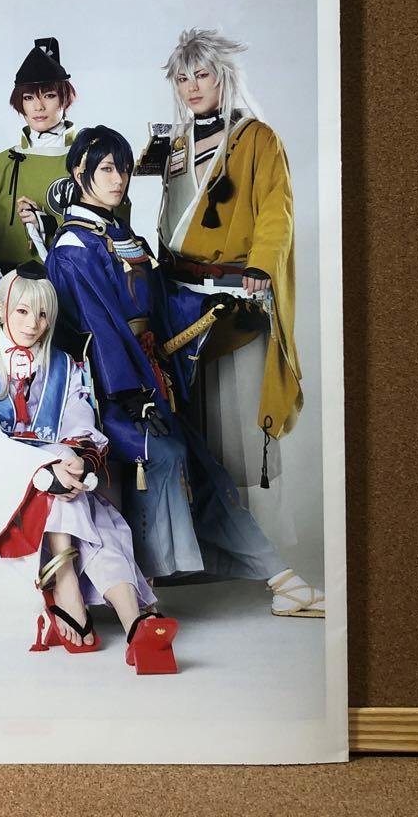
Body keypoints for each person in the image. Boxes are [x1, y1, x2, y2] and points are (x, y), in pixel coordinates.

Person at [46, 126, 324, 618]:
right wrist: (130, 394)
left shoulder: (123, 236)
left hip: (149, 379)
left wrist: (213, 306)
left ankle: (282, 581)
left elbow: (161, 300)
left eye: (123, 168)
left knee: (204, 464)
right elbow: (99, 327)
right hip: (103, 393)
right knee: (167, 454)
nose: (118, 179)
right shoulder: (72, 247)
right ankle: (144, 596)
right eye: (106, 169)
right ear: (79, 172)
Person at [0, 263, 177, 673]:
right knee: (67, 500)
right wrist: (46, 470)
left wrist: (76, 462)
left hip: (58, 473)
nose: (33, 324)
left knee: (97, 518)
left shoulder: (66, 366)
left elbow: (79, 424)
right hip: (1, 482)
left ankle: (135, 629)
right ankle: (83, 595)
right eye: (22, 311)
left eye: (42, 314)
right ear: (1, 309)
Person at [136, 29, 300, 546]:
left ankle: (262, 544)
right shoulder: (175, 143)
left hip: (235, 297)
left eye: (201, 75)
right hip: (181, 299)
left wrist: (262, 267)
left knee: (243, 422)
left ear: (223, 77)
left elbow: (276, 212)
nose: (191, 87)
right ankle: (209, 540)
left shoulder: (258, 138)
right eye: (182, 78)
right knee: (195, 419)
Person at [0, 37, 93, 272]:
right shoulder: (0, 163)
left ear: (64, 99)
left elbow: (109, 229)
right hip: (8, 281)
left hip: (73, 276)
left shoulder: (89, 157)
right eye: (29, 98)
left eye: (49, 95)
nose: (38, 107)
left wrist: (47, 224)